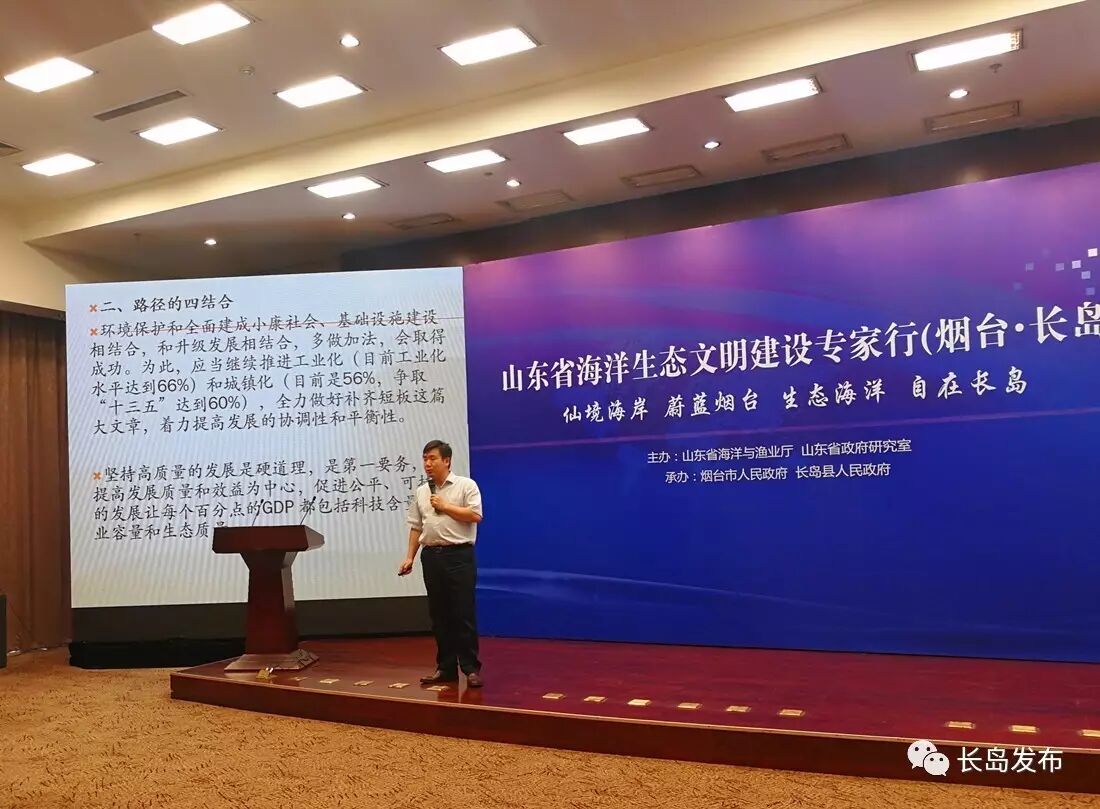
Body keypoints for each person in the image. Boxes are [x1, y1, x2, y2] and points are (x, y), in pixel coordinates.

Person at [398, 440, 485, 687]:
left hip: (459, 556)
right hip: (431, 557)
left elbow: (475, 515)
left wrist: (445, 506)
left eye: (432, 458)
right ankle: (445, 668)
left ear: (447, 461)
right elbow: (416, 526)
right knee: (439, 615)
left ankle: (470, 668)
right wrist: (409, 557)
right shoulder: (421, 491)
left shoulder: (466, 485)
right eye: (425, 458)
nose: (427, 463)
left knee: (463, 613)